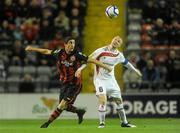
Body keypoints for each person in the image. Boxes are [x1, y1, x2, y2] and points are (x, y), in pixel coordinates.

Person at [25, 37, 111, 128]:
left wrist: (106, 67)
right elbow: (46, 51)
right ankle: (79, 111)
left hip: (75, 84)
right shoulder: (60, 53)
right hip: (64, 83)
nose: (72, 45)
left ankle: (47, 123)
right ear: (65, 44)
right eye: (70, 43)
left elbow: (92, 60)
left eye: (73, 43)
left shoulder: (77, 54)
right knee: (64, 106)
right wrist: (32, 49)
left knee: (62, 105)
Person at [76, 36, 142, 128]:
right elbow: (88, 59)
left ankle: (124, 122)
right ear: (112, 40)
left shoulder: (119, 55)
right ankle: (102, 123)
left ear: (120, 45)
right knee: (103, 101)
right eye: (115, 39)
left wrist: (135, 71)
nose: (116, 41)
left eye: (119, 41)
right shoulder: (101, 51)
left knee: (119, 101)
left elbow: (127, 64)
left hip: (111, 81)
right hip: (100, 80)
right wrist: (80, 69)